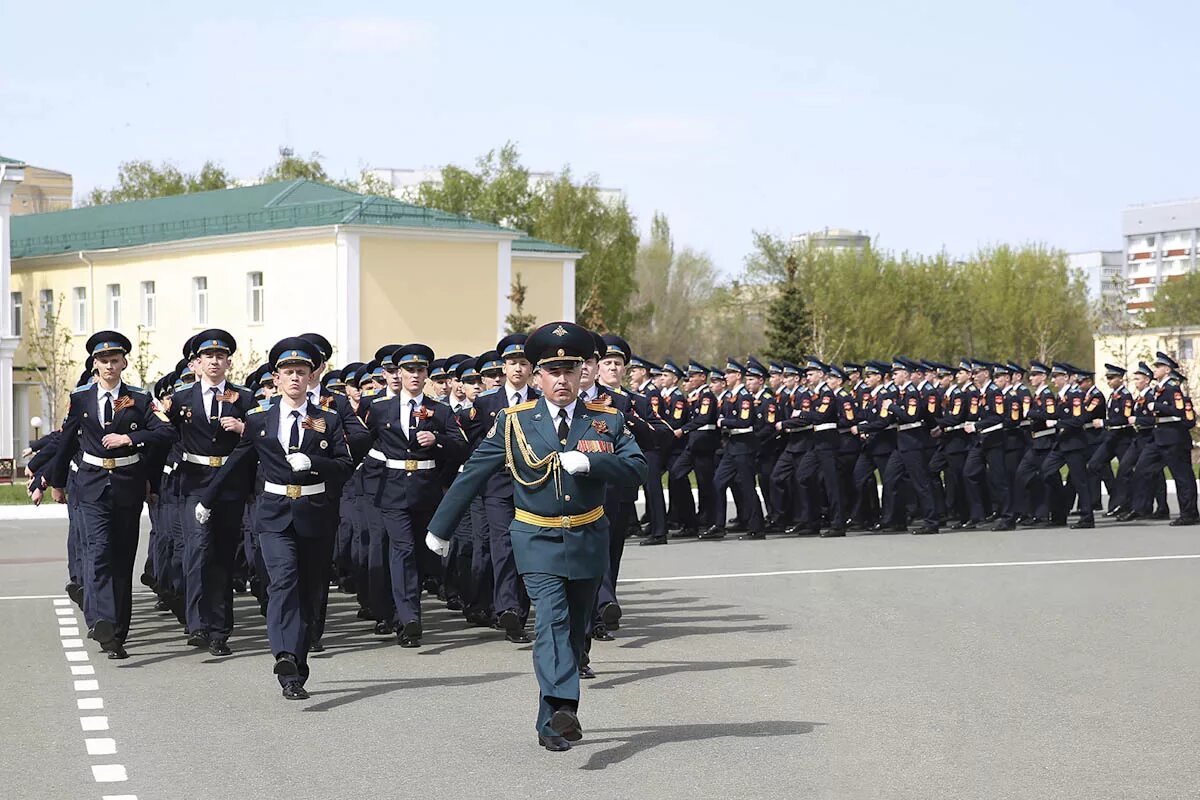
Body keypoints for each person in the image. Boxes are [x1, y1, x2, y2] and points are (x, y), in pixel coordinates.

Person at [425, 321, 647, 751]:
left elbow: (637, 468)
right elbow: (473, 472)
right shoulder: (514, 423)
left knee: (577, 629)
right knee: (552, 619)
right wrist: (440, 528)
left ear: (585, 373)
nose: (561, 380)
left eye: (570, 371)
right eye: (552, 372)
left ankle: (551, 722)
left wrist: (593, 465)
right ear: (537, 376)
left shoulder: (607, 420)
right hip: (537, 537)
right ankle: (565, 703)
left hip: (587, 539)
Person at [196, 337, 353, 699]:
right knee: (282, 582)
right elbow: (237, 463)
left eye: (301, 372)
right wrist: (208, 499)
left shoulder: (326, 420)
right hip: (273, 515)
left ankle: (299, 657)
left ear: (311, 377)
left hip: (314, 515)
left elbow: (345, 466)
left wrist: (316, 463)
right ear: (276, 379)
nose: (295, 378)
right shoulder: (259, 419)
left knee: (309, 591)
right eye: (288, 372)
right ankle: (287, 662)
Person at [47, 331, 177, 659]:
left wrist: (130, 440)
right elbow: (67, 441)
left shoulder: (140, 399)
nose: (109, 366)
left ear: (124, 363)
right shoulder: (81, 398)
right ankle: (102, 618)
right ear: (95, 364)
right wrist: (57, 481)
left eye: (114, 360)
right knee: (98, 550)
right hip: (91, 484)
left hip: (127, 485)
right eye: (103, 361)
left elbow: (166, 432)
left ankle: (117, 632)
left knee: (121, 558)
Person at [361, 343, 467, 647]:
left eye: (421, 370)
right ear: (399, 373)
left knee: (421, 555)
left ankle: (403, 608)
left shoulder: (440, 410)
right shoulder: (380, 409)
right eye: (409, 370)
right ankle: (409, 618)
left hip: (426, 490)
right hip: (392, 490)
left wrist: (437, 439)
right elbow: (364, 445)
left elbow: (461, 447)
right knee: (403, 550)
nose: (415, 375)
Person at [167, 329, 257, 656]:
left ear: (228, 362)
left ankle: (220, 631)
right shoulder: (180, 399)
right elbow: (165, 437)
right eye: (209, 357)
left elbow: (264, 439)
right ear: (198, 363)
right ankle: (197, 625)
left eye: (220, 357)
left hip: (231, 485)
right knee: (197, 550)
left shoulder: (244, 399)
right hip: (194, 483)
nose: (214, 362)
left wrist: (244, 429)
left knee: (221, 556)